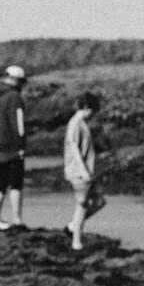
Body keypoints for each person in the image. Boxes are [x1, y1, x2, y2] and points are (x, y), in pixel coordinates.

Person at [0, 64, 29, 230]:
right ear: (18, 81)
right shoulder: (15, 97)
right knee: (16, 182)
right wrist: (21, 144)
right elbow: (18, 123)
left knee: (1, 180)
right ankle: (17, 219)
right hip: (11, 144)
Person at [63, 91, 105, 250]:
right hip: (78, 171)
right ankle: (76, 242)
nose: (93, 115)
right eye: (93, 111)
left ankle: (73, 226)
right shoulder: (75, 123)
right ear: (87, 108)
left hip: (88, 169)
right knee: (82, 205)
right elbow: (73, 147)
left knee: (100, 202)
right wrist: (83, 170)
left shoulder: (82, 123)